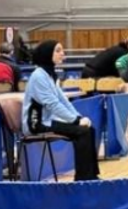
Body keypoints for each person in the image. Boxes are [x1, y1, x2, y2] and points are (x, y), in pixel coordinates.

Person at [22, 40, 100, 181]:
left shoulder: (50, 75)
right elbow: (53, 104)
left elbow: (63, 101)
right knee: (82, 132)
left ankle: (92, 176)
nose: (62, 54)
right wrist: (75, 121)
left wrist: (79, 117)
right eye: (58, 51)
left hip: (48, 121)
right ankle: (83, 179)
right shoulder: (38, 76)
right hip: (36, 124)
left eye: (62, 50)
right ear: (47, 54)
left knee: (89, 129)